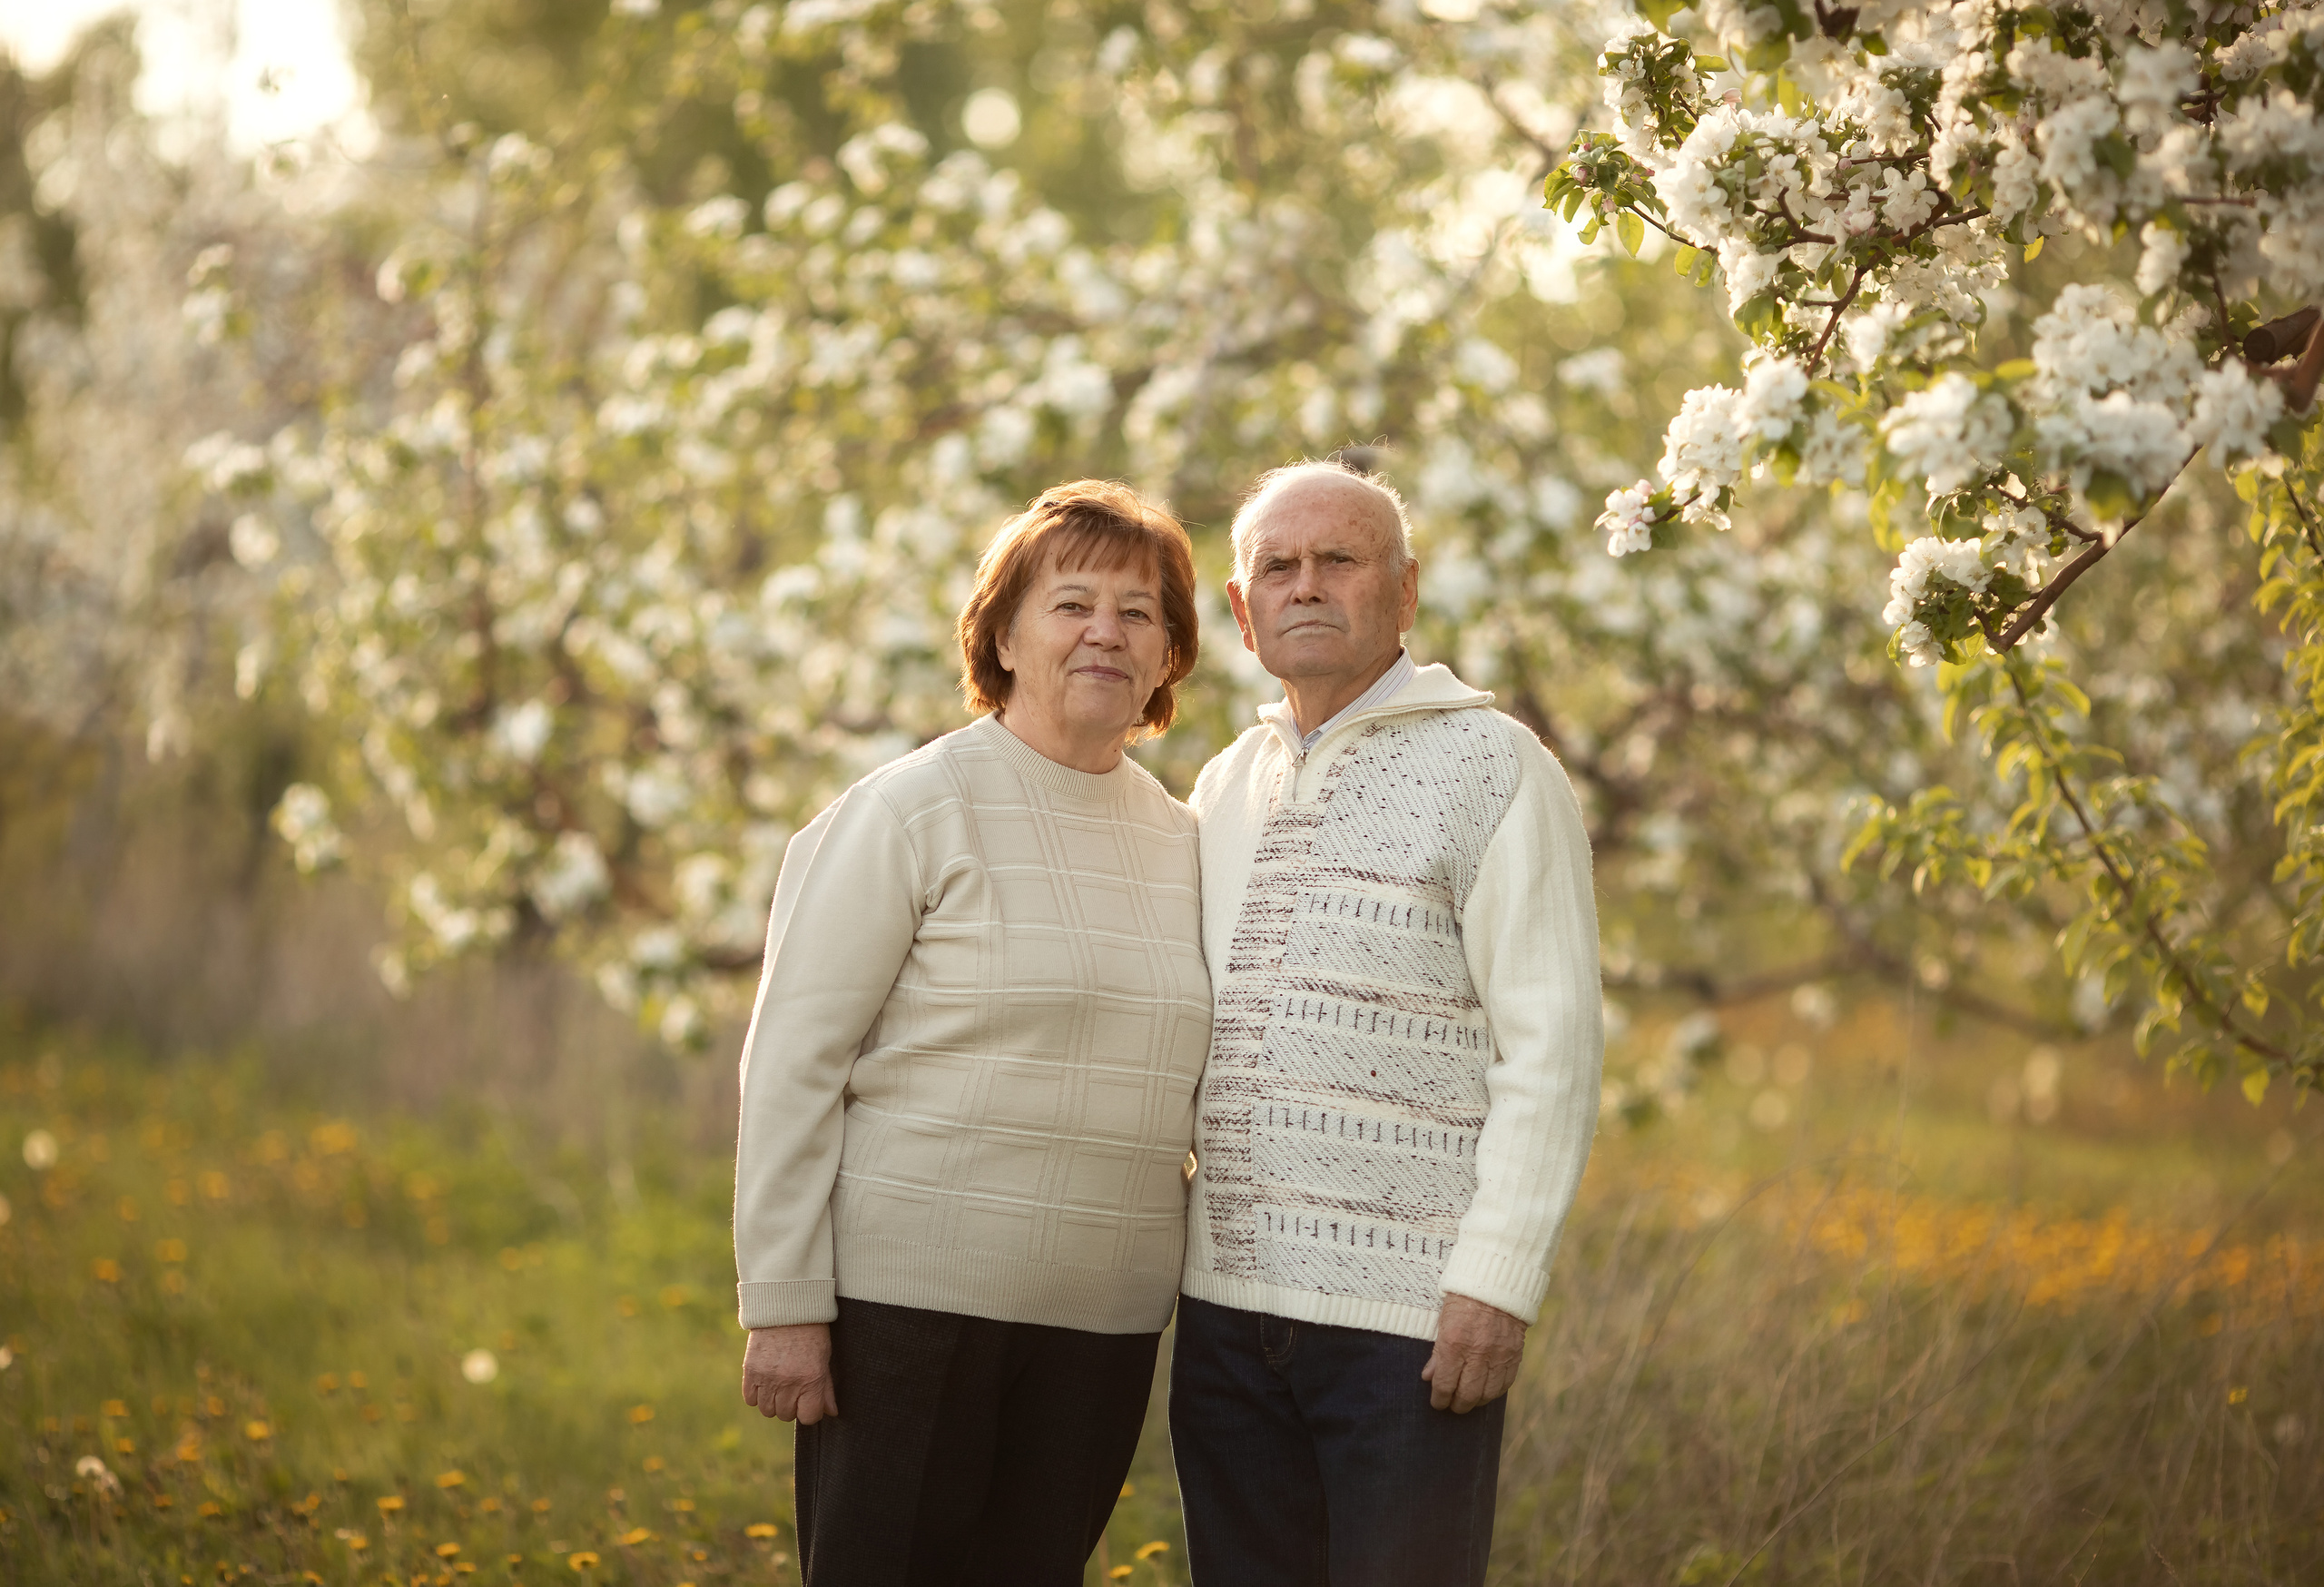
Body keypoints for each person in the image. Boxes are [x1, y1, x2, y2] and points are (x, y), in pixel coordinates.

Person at [731, 479, 1212, 1586]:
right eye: (1071, 602)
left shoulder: (1187, 840)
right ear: (1000, 631)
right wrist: (786, 1301)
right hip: (908, 1317)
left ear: (1170, 654)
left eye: (1139, 612)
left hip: (1102, 1324)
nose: (1106, 631)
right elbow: (796, 1063)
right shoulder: (909, 808)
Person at [1169, 459, 1604, 1586]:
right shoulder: (1221, 785)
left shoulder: (1496, 767)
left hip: (1408, 1326)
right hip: (1222, 1312)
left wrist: (1495, 1285)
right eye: (1277, 565)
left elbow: (1550, 1051)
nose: (1304, 584)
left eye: (1338, 559)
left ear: (1404, 593)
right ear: (1240, 609)